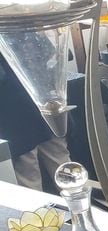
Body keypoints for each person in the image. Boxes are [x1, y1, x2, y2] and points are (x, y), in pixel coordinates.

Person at [0, 52, 71, 192]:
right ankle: (81, 208)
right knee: (61, 165)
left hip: (15, 108)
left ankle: (38, 212)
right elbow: (53, 54)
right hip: (39, 98)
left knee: (29, 174)